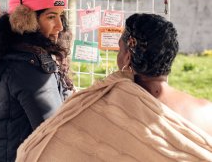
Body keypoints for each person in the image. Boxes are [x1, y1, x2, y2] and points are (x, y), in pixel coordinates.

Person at [16, 13, 212, 162]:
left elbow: (47, 150)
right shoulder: (206, 111)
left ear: (128, 55)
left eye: (120, 48)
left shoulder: (98, 108)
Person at [0, 0, 74, 162]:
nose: (60, 26)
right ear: (27, 20)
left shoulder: (8, 54)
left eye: (61, 16)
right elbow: (54, 135)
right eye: (51, 16)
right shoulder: (30, 68)